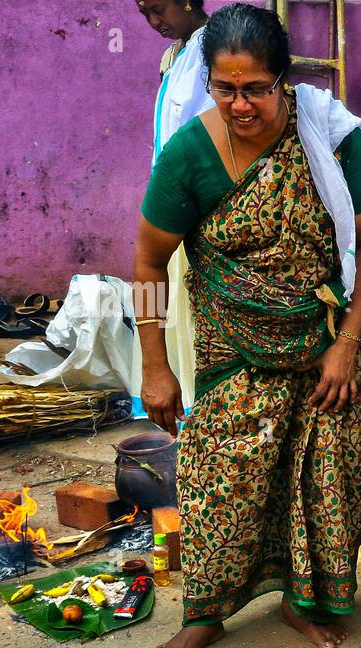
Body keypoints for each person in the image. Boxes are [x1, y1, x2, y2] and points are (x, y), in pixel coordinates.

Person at [133, 3, 361, 648]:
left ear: (285, 81)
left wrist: (346, 343)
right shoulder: (190, 153)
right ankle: (208, 613)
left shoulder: (329, 136)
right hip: (231, 350)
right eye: (226, 89)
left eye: (257, 89)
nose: (241, 105)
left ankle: (306, 603)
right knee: (218, 480)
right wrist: (154, 366)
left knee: (329, 483)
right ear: (209, 83)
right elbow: (148, 262)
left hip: (327, 348)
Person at [142, 0, 213, 414]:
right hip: (173, 198)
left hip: (199, 203)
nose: (155, 22)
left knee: (195, 317)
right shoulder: (176, 55)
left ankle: (202, 405)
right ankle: (187, 403)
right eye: (144, 15)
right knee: (175, 313)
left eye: (159, 9)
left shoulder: (215, 47)